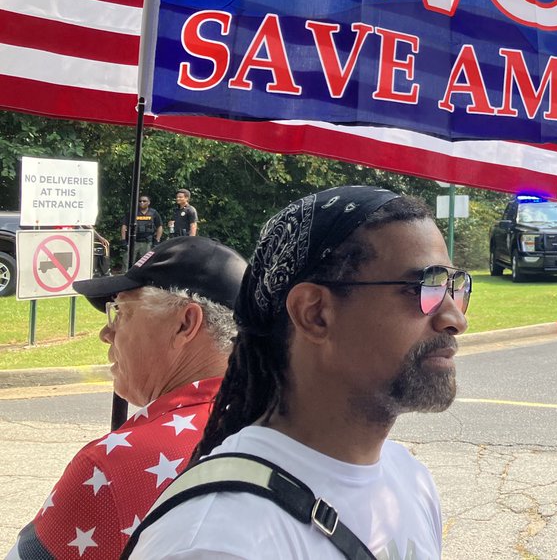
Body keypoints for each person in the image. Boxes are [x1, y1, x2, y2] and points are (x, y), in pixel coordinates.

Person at [127, 185, 470, 559]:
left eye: (452, 286)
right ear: (315, 313)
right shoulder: (216, 542)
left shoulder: (409, 481)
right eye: (424, 286)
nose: (456, 318)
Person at [5, 238, 247, 560]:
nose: (107, 333)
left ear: (185, 324)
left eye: (122, 311)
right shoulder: (283, 434)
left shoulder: (111, 468)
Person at [120, 195, 163, 272]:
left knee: (146, 263)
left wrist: (157, 240)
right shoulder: (133, 212)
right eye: (140, 201)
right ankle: (124, 279)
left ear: (149, 202)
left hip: (147, 242)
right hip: (133, 242)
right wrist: (123, 240)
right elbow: (124, 226)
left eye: (144, 201)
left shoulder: (153, 213)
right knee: (127, 262)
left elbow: (159, 227)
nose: (141, 202)